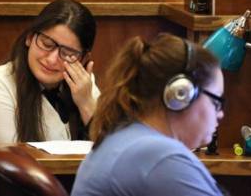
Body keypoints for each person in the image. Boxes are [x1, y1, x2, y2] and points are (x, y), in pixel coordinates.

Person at [72, 33, 226, 196]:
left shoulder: (124, 139)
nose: (220, 114)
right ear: (181, 94)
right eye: (216, 102)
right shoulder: (159, 156)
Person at [0, 0, 100, 142]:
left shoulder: (83, 85)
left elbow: (113, 152)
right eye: (47, 44)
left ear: (82, 59)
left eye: (67, 54)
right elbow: (12, 159)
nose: (52, 60)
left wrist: (86, 104)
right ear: (29, 37)